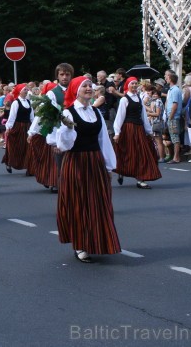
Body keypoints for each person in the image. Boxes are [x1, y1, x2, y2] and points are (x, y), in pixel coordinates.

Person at [56, 77, 121, 263]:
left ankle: (95, 240)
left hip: (95, 161)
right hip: (76, 162)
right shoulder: (67, 113)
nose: (88, 88)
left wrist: (109, 165)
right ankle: (80, 244)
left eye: (90, 86)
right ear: (76, 90)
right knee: (79, 203)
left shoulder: (95, 112)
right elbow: (64, 144)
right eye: (84, 86)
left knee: (98, 202)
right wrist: (68, 129)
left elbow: (103, 140)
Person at [113, 77, 162, 189]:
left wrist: (149, 131)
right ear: (128, 86)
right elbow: (119, 117)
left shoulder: (139, 99)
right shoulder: (124, 100)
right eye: (132, 84)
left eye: (136, 83)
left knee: (141, 153)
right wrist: (117, 132)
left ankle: (141, 179)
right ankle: (122, 170)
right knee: (129, 153)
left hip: (139, 129)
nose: (134, 86)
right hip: (128, 129)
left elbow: (143, 116)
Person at [44, 63, 74, 193]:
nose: (65, 77)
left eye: (67, 74)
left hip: (74, 133)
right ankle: (59, 184)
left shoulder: (76, 91)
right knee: (60, 163)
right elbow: (49, 118)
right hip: (59, 132)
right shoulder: (53, 93)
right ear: (57, 76)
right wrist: (54, 141)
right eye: (62, 74)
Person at [2, 83, 34, 174]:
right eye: (25, 90)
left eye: (27, 90)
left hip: (27, 127)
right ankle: (9, 162)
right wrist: (8, 128)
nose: (26, 91)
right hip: (18, 127)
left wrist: (33, 128)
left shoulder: (29, 102)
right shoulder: (16, 103)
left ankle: (29, 167)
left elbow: (32, 117)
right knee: (15, 146)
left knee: (28, 147)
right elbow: (12, 117)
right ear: (20, 91)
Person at [165, 71, 183, 163]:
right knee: (173, 137)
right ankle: (175, 156)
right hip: (171, 116)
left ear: (171, 78)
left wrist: (171, 117)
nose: (165, 78)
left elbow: (175, 105)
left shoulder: (175, 90)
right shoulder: (171, 90)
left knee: (175, 137)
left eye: (167, 76)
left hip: (173, 117)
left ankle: (176, 157)